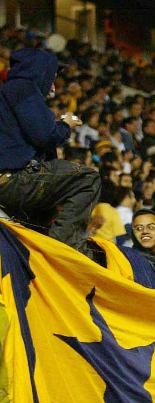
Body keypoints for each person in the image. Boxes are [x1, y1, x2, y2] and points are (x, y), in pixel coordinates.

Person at [0, 47, 100, 253]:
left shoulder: (11, 91)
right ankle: (62, 251)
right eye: (52, 76)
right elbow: (45, 136)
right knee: (87, 179)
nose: (54, 84)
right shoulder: (23, 88)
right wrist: (66, 125)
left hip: (11, 179)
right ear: (40, 71)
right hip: (13, 180)